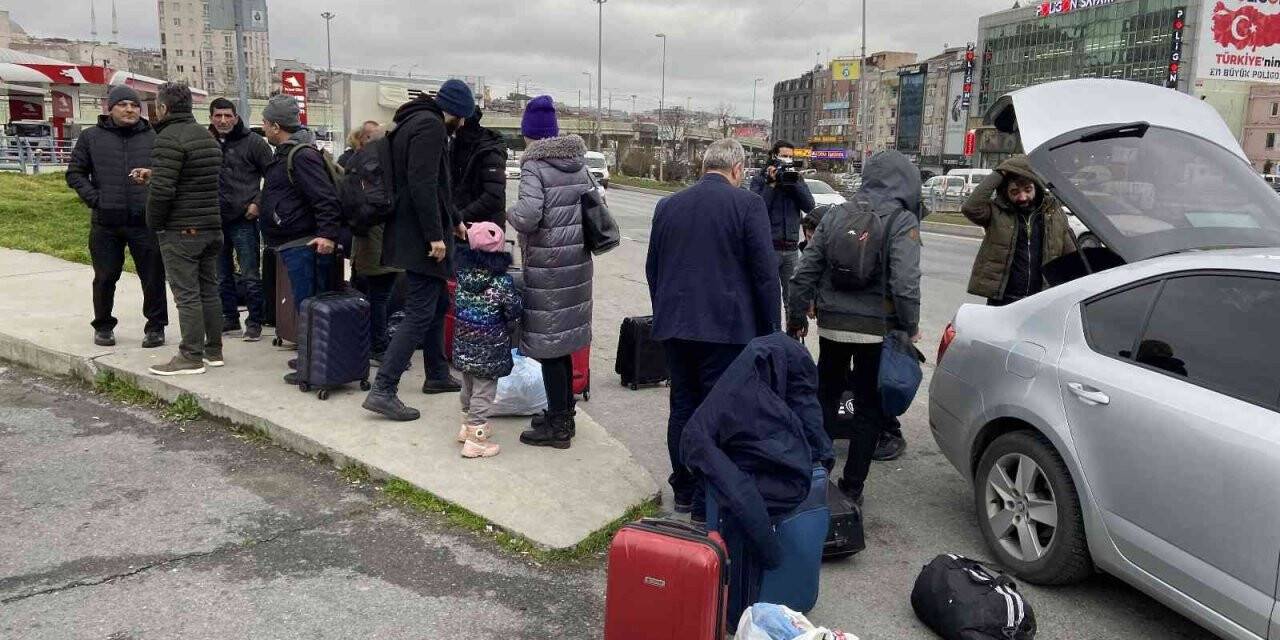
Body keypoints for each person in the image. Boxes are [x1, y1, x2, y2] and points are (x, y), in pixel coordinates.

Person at [646, 138, 780, 517]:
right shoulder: (748, 205)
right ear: (737, 170)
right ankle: (707, 497)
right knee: (718, 411)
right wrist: (772, 331)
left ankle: (684, 489)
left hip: (675, 328)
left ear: (704, 167)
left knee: (683, 406)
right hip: (727, 332)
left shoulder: (668, 205)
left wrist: (665, 313)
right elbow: (766, 276)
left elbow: (653, 268)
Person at [787, 150, 923, 505]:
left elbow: (804, 273)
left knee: (825, 398)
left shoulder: (835, 214)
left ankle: (816, 475)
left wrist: (797, 317)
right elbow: (906, 284)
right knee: (868, 407)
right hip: (875, 330)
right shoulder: (902, 220)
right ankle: (852, 488)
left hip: (832, 325)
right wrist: (909, 326)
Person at [362, 79, 475, 421]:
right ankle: (383, 388)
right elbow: (423, 184)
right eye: (464, 116)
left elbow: (438, 185)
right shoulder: (431, 127)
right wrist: (434, 236)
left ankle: (437, 374)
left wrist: (454, 220)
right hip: (420, 237)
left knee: (438, 302)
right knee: (420, 312)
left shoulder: (414, 120)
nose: (464, 124)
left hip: (414, 230)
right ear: (454, 111)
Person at [508, 95, 594, 449]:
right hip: (578, 265)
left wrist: (509, 213)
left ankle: (558, 428)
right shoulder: (579, 164)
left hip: (549, 268)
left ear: (530, 134)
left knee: (550, 349)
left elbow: (528, 215)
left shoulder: (534, 166)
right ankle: (563, 411)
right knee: (564, 344)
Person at [65, 85, 168, 349]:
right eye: (123, 104)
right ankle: (103, 325)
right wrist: (96, 199)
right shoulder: (91, 138)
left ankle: (156, 327)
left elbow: (166, 173)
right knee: (105, 276)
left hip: (144, 221)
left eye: (134, 105)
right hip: (106, 223)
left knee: (153, 275)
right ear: (109, 108)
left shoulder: (154, 137)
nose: (129, 109)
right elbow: (75, 173)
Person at [258, 94, 344, 383]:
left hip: (305, 243)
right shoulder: (287, 154)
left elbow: (325, 199)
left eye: (265, 123)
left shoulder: (301, 155)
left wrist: (327, 235)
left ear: (275, 126)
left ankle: (315, 365)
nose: (264, 128)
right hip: (293, 242)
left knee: (309, 306)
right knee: (305, 305)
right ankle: (312, 361)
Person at [144, 83, 224, 376]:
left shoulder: (168, 138)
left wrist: (154, 223)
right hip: (211, 226)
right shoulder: (207, 138)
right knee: (209, 290)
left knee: (187, 295)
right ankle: (213, 350)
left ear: (163, 108)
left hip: (182, 229)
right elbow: (196, 180)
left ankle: (190, 356)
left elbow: (163, 191)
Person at [961, 155, 1076, 307]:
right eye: (1015, 192)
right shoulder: (996, 213)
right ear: (1005, 193)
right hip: (1004, 301)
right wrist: (1001, 172)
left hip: (1042, 300)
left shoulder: (1053, 213)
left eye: (1028, 190)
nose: (1023, 197)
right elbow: (971, 207)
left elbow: (1072, 258)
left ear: (1037, 187)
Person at [452, 221, 523, 458]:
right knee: (484, 392)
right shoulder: (500, 281)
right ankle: (476, 440)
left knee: (468, 385)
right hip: (489, 348)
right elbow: (513, 309)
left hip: (464, 343)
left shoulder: (462, 275)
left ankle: (466, 426)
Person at [208, 97, 273, 342]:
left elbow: (274, 177)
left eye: (227, 115)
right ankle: (229, 317)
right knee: (221, 274)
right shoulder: (207, 141)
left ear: (236, 117)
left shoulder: (254, 143)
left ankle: (255, 320)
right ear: (211, 117)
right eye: (218, 116)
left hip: (244, 219)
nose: (223, 120)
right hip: (215, 219)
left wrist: (258, 202)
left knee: (250, 273)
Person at [341, 121, 402, 363]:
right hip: (378, 241)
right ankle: (379, 346)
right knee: (379, 297)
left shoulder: (357, 163)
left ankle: (369, 342)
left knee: (373, 295)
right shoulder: (377, 166)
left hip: (370, 240)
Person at [750, 140, 815, 316]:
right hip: (769, 248)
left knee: (792, 299)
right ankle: (768, 337)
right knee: (767, 299)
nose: (786, 160)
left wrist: (794, 183)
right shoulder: (760, 179)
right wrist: (771, 184)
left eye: (790, 157)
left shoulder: (796, 179)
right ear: (774, 156)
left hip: (791, 249)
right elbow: (757, 210)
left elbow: (809, 206)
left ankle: (791, 336)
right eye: (783, 156)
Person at [451, 107, 508, 228]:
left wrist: (458, 217)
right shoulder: (455, 146)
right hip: (459, 228)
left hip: (483, 233)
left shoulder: (490, 151)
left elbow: (493, 197)